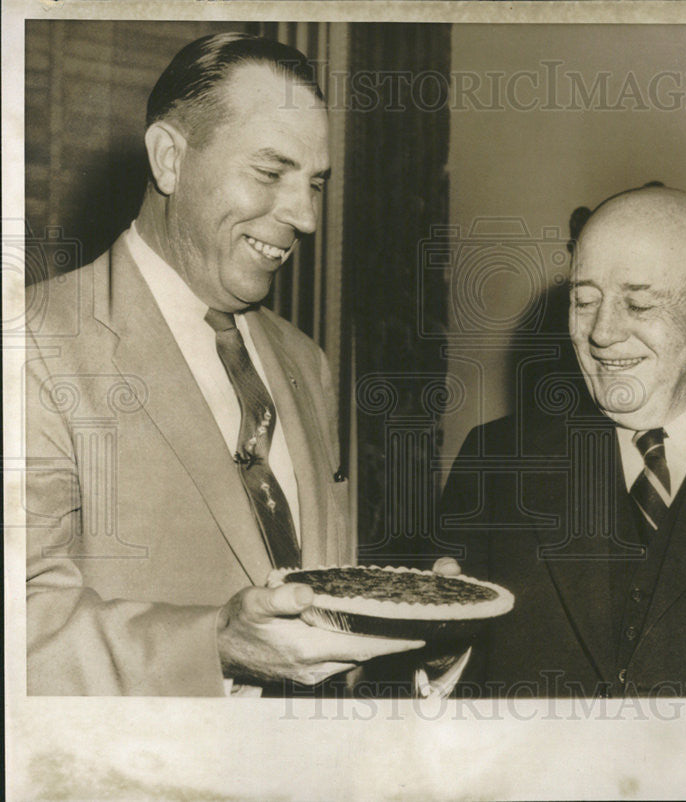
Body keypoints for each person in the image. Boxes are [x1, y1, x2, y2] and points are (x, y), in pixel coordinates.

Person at [24, 33, 444, 696]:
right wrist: (217, 646)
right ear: (169, 159)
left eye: (314, 183)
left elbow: (311, 610)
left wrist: (406, 639)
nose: (304, 216)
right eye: (270, 173)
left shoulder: (304, 361)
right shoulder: (34, 346)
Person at [438, 184, 686, 697]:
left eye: (639, 304)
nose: (601, 332)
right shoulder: (496, 461)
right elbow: (453, 702)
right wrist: (439, 655)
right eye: (583, 300)